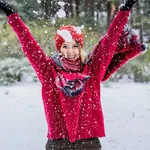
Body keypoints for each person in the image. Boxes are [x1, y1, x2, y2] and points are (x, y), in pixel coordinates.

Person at [0, 0, 147, 149]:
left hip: (88, 142)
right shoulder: (48, 70)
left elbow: (110, 41)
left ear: (80, 47)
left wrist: (124, 11)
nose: (70, 51)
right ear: (59, 48)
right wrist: (12, 15)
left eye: (75, 46)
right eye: (65, 46)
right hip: (58, 142)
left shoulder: (93, 69)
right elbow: (29, 44)